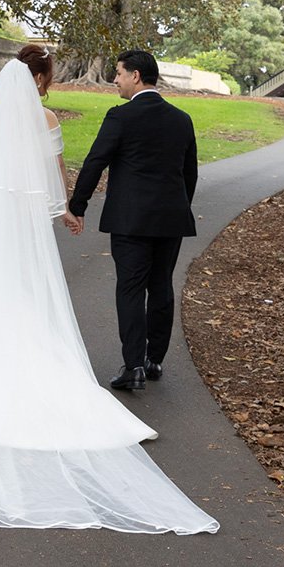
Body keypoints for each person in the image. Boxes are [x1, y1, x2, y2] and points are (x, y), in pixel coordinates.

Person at [0, 45, 217, 533]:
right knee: (152, 286)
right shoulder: (60, 120)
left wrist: (68, 202)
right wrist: (67, 207)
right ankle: (148, 359)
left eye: (120, 74)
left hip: (9, 219)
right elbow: (64, 171)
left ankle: (119, 363)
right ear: (39, 77)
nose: (116, 81)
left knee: (16, 282)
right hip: (148, 217)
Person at [67, 49, 197, 392]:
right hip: (171, 220)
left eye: (119, 73)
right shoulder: (181, 119)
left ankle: (134, 366)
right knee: (161, 286)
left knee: (130, 288)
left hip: (130, 221)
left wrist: (77, 206)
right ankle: (155, 360)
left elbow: (95, 162)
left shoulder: (120, 117)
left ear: (136, 76)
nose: (115, 80)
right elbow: (190, 174)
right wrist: (178, 208)